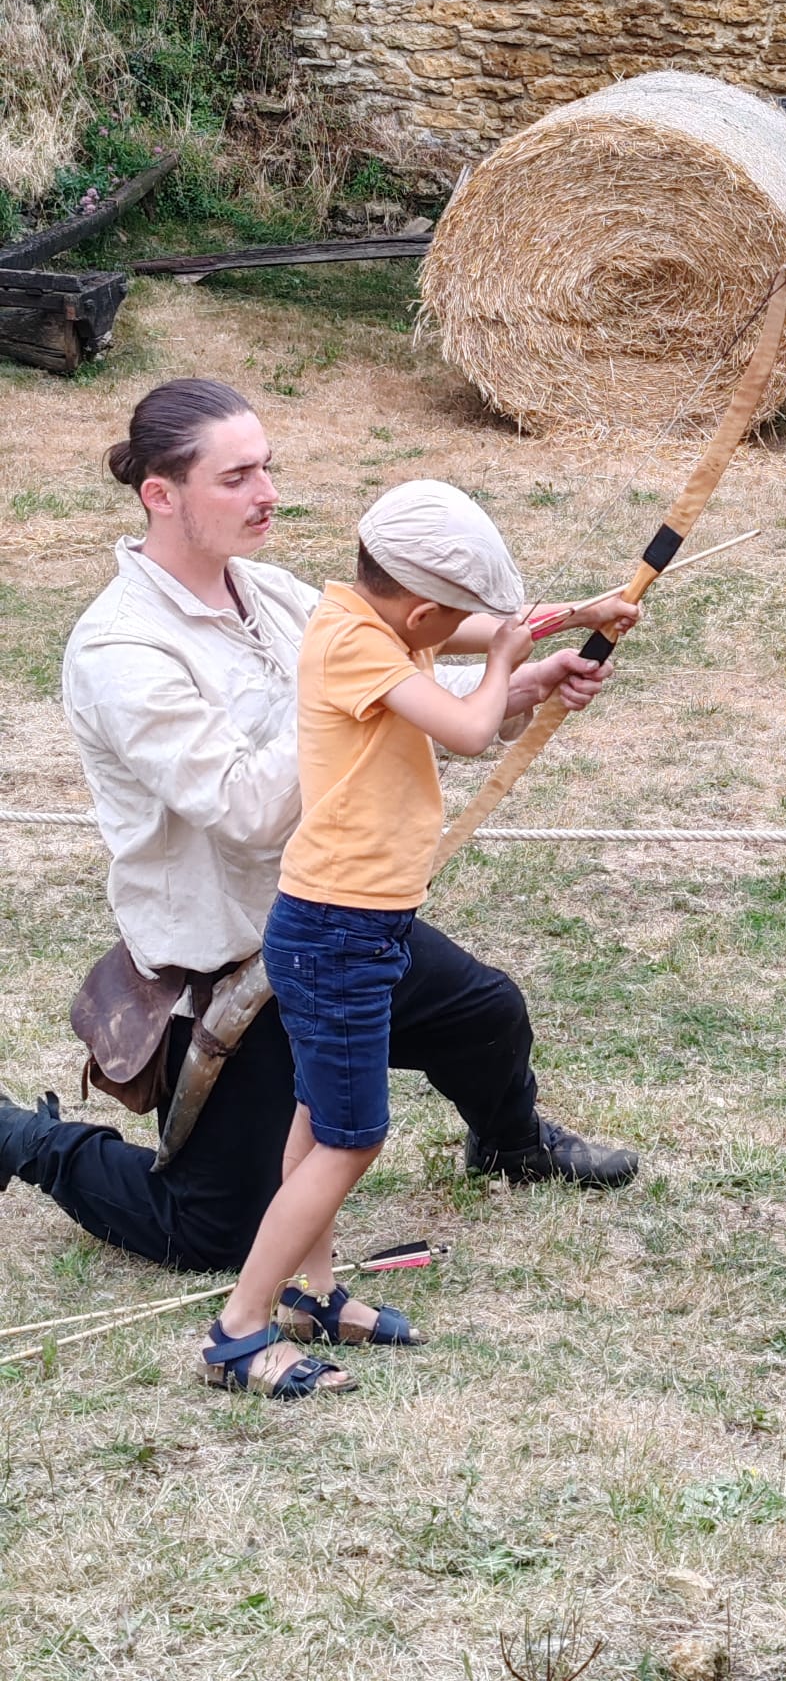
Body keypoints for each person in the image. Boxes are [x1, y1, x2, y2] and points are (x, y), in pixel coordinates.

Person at [0, 380, 639, 1289]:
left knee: (485, 1013)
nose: (267, 493)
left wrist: (541, 648)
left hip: (334, 918)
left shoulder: (268, 591)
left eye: (267, 468)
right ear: (161, 494)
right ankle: (28, 1140)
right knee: (216, 1232)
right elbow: (253, 808)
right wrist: (375, 703)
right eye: (236, 477)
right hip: (235, 967)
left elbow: (406, 635)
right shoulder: (120, 651)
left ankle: (511, 1147)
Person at [204, 481, 535, 1400]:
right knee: (352, 1137)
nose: (460, 628)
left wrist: (543, 640)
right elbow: (471, 727)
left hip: (351, 925)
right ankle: (238, 1329)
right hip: (337, 933)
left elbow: (472, 648)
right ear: (420, 608)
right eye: (452, 617)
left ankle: (312, 1297)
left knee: (314, 1123)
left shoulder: (366, 619)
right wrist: (509, 658)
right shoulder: (354, 640)